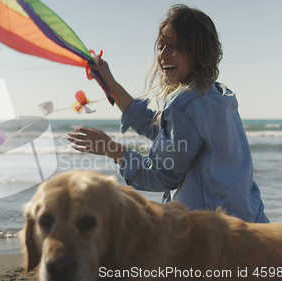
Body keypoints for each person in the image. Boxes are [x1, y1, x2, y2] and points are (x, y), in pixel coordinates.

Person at [68, 4, 269, 223]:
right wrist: (109, 82)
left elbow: (161, 176)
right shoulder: (218, 95)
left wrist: (112, 150)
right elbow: (156, 126)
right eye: (161, 46)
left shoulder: (184, 104)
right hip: (251, 225)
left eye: (175, 46)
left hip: (215, 237)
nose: (164, 54)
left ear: (199, 51)